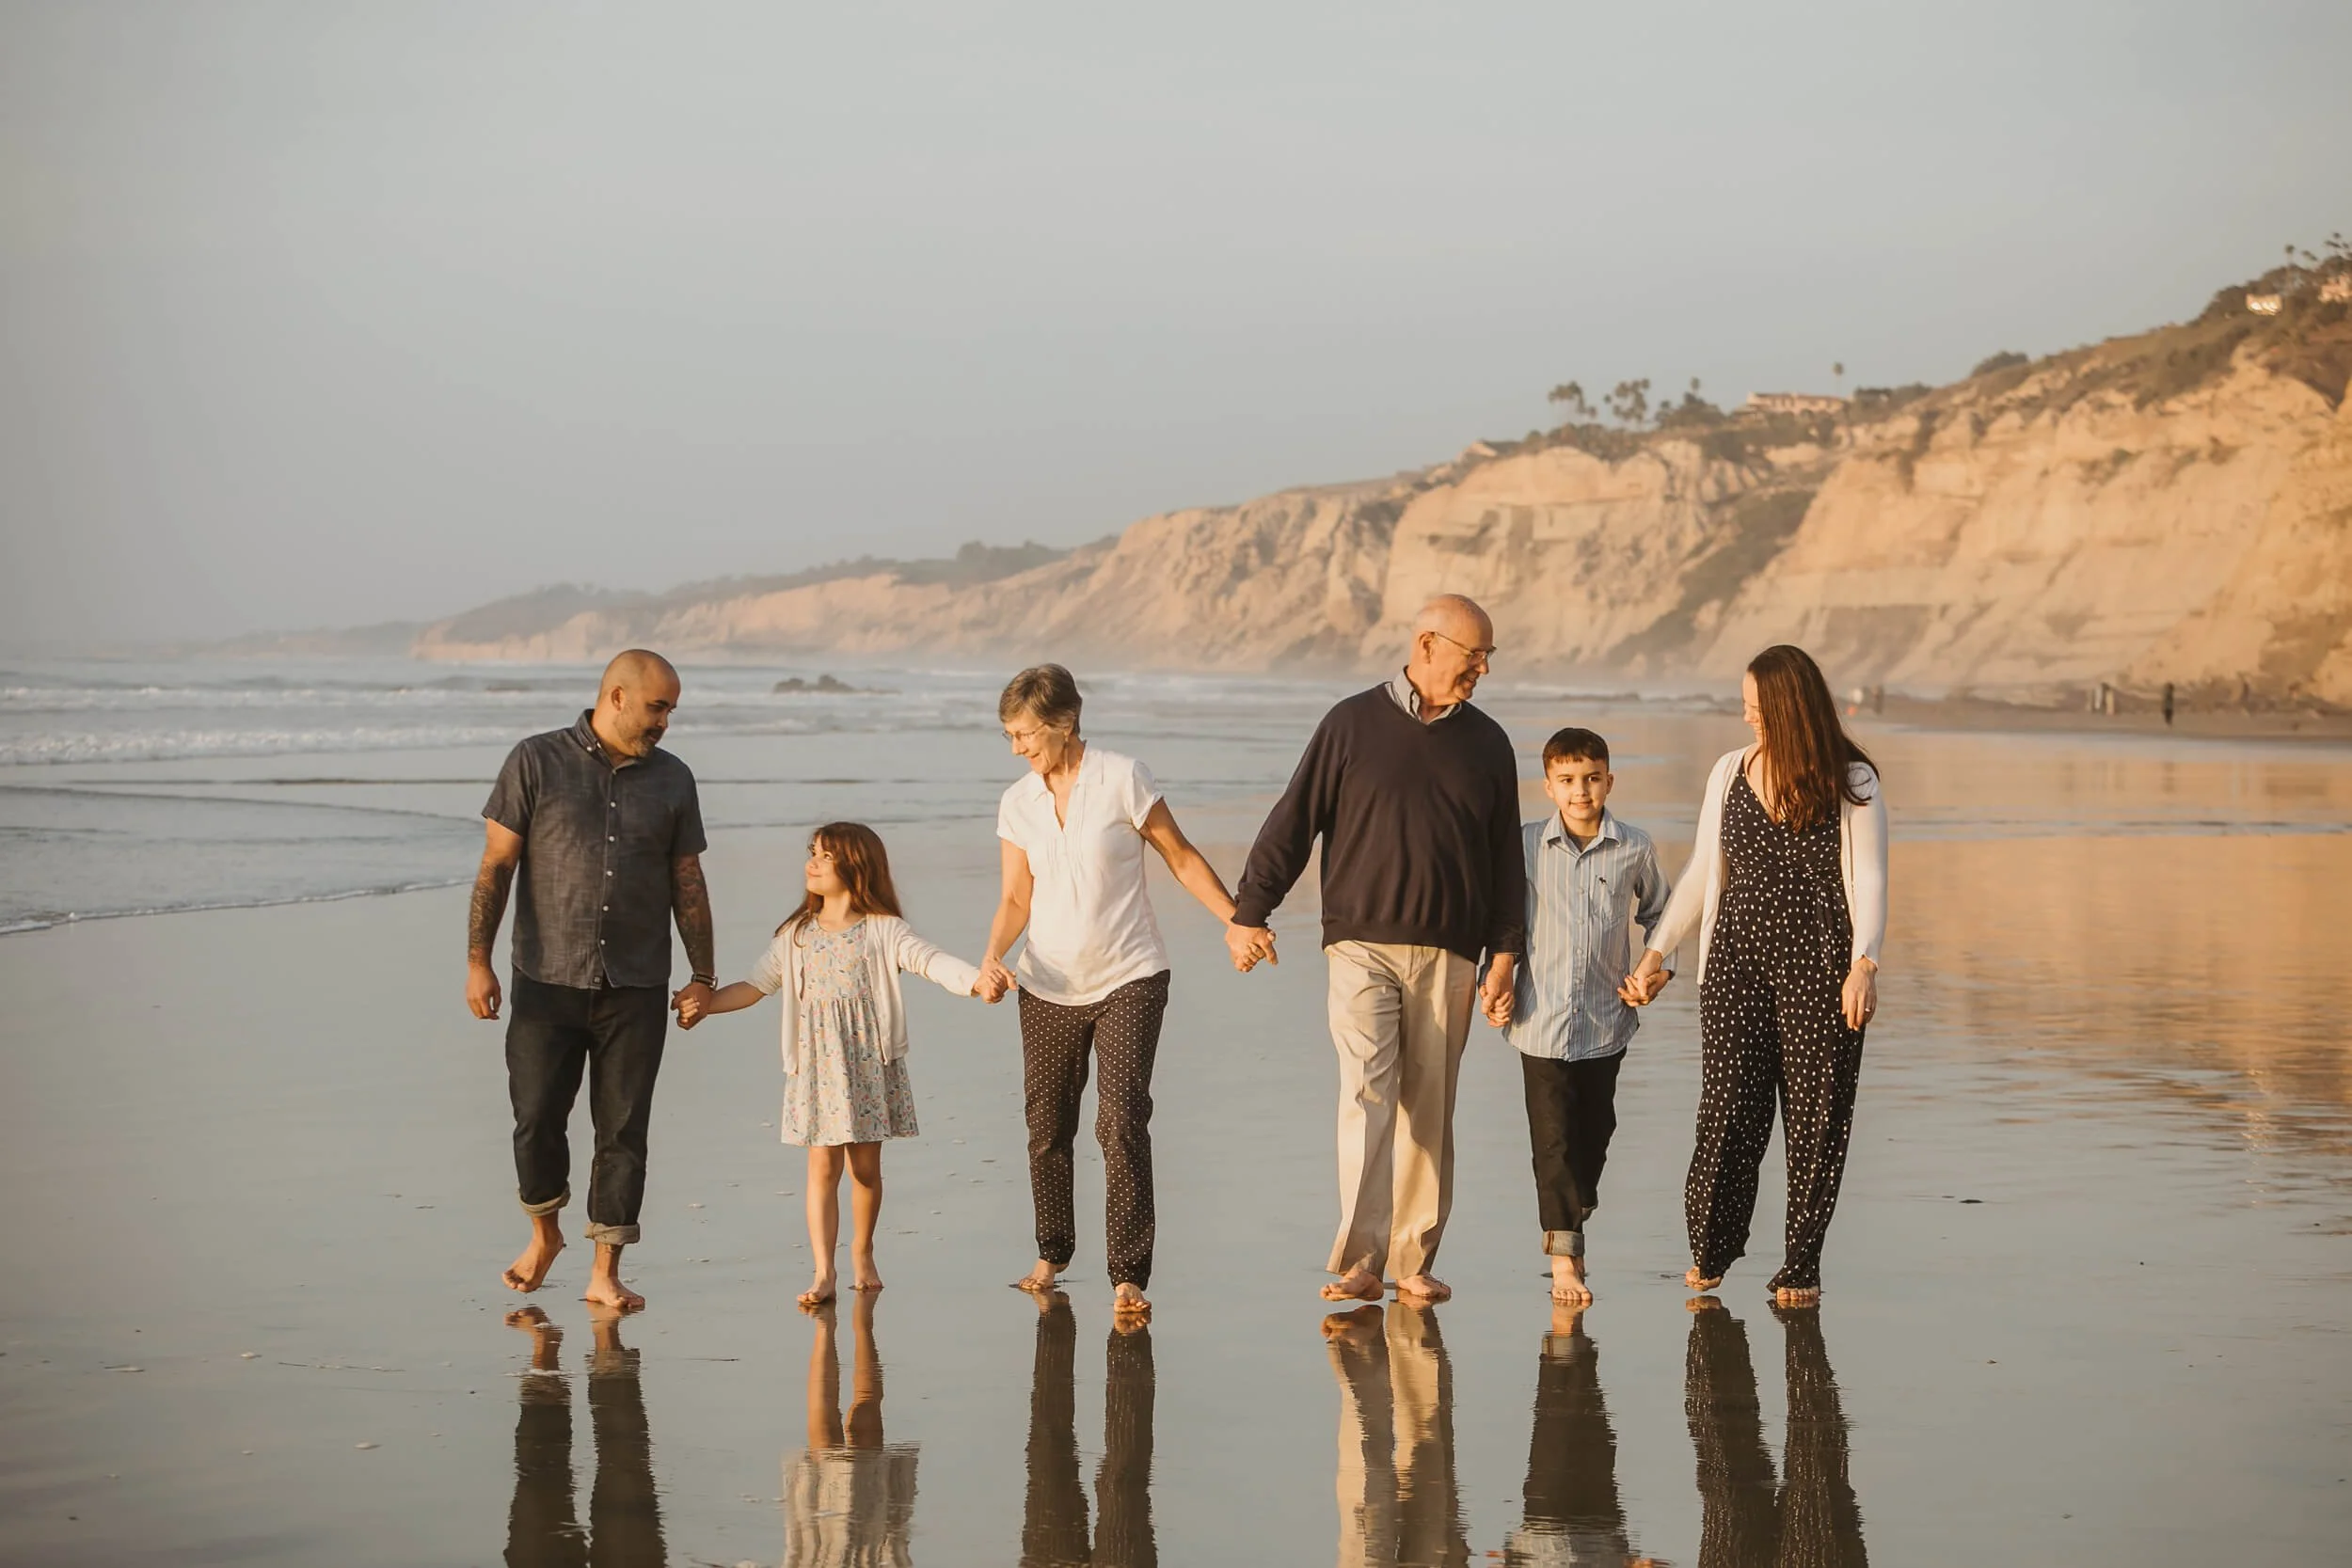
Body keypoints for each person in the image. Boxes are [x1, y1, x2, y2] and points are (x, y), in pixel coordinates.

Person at [1228, 594, 1526, 1305]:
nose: (1482, 668)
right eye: (1472, 653)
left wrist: (1505, 953)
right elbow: (1294, 819)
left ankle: (1412, 1259)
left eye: (1488, 656)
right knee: (1367, 1091)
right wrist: (1249, 911)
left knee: (1430, 1107)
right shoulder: (1351, 723)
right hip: (1360, 945)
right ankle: (1361, 1257)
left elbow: (1504, 861)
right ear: (1427, 644)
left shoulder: (1489, 744)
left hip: (1450, 953)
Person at [978, 664, 1251, 1321]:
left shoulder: (1122, 777)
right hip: (1046, 984)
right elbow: (1017, 896)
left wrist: (1237, 919)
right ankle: (1053, 1251)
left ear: (1065, 722)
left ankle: (1128, 1273)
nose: (1017, 747)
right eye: (1009, 735)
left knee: (1121, 1116)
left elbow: (1180, 855)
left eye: (1025, 733)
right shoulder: (1018, 802)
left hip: (1130, 974)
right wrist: (991, 958)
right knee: (1048, 1126)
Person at [1624, 644, 1887, 1307]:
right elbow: (1700, 874)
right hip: (1736, 963)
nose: (1749, 720)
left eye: (1758, 709)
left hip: (1821, 968)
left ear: (1791, 707)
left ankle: (1801, 1265)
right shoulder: (1728, 771)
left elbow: (1871, 880)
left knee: (1816, 1118)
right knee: (1727, 1108)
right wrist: (1657, 952)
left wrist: (1865, 963)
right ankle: (1711, 1248)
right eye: (1744, 708)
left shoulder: (1852, 779)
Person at [468, 649, 715, 1311]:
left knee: (624, 1129)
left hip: (636, 982)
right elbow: (496, 866)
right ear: (616, 696)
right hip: (545, 978)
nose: (666, 720)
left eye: (671, 709)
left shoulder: (674, 779)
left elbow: (687, 880)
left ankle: (606, 1269)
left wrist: (704, 975)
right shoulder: (535, 760)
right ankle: (544, 1234)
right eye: (658, 706)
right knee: (537, 1117)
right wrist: (477, 961)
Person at [680, 823, 987, 1307]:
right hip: (816, 1067)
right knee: (821, 1166)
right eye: (812, 852)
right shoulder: (796, 935)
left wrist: (975, 981)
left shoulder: (884, 930)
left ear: (855, 868)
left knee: (864, 1167)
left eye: (826, 856)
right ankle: (823, 1270)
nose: (813, 862)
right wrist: (704, 1005)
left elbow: (930, 960)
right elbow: (755, 986)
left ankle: (862, 1253)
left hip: (867, 1063)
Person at [1489, 727, 1670, 1307]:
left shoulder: (1634, 847)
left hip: (1606, 1018)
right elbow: (1502, 921)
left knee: (1596, 1132)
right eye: (1567, 781)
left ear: (1609, 781)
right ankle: (1567, 1257)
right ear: (1548, 787)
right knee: (1553, 1142)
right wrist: (1494, 977)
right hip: (1539, 1018)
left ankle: (1573, 1205)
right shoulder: (1523, 845)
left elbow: (1663, 916)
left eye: (1591, 779)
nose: (1581, 791)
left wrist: (1657, 971)